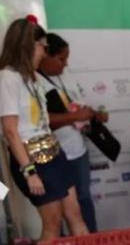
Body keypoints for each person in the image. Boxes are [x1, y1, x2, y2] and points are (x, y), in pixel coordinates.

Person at [0, 18, 88, 241]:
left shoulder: (32, 77)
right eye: (43, 47)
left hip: (54, 152)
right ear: (28, 45)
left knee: (74, 213)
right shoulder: (6, 78)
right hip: (32, 161)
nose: (45, 53)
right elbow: (10, 132)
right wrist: (30, 172)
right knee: (52, 222)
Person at [38, 32, 108, 233]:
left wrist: (94, 114)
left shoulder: (66, 75)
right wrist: (75, 117)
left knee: (83, 198)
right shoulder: (33, 82)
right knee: (55, 208)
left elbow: (77, 104)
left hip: (77, 150)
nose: (66, 64)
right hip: (51, 155)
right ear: (46, 55)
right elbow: (42, 120)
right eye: (61, 58)